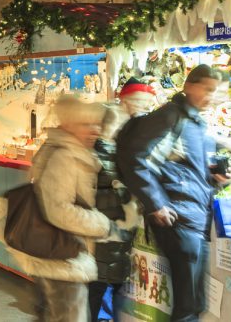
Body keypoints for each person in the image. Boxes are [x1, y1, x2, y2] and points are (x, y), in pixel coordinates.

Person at [120, 65, 227, 322]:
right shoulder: (170, 115)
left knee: (194, 302)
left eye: (215, 91)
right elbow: (134, 157)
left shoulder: (196, 122)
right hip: (178, 217)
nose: (211, 96)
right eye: (207, 89)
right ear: (189, 86)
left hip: (194, 216)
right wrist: (156, 203)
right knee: (187, 305)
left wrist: (214, 177)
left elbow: (189, 170)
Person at [25, 95, 133, 322]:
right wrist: (104, 224)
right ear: (68, 125)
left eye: (97, 124)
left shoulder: (69, 151)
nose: (94, 130)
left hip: (62, 254)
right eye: (86, 124)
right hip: (63, 255)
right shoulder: (65, 156)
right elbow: (60, 210)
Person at [89, 103, 137, 322]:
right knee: (99, 283)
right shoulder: (97, 152)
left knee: (108, 280)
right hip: (104, 227)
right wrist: (121, 190)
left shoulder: (114, 150)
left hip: (114, 228)